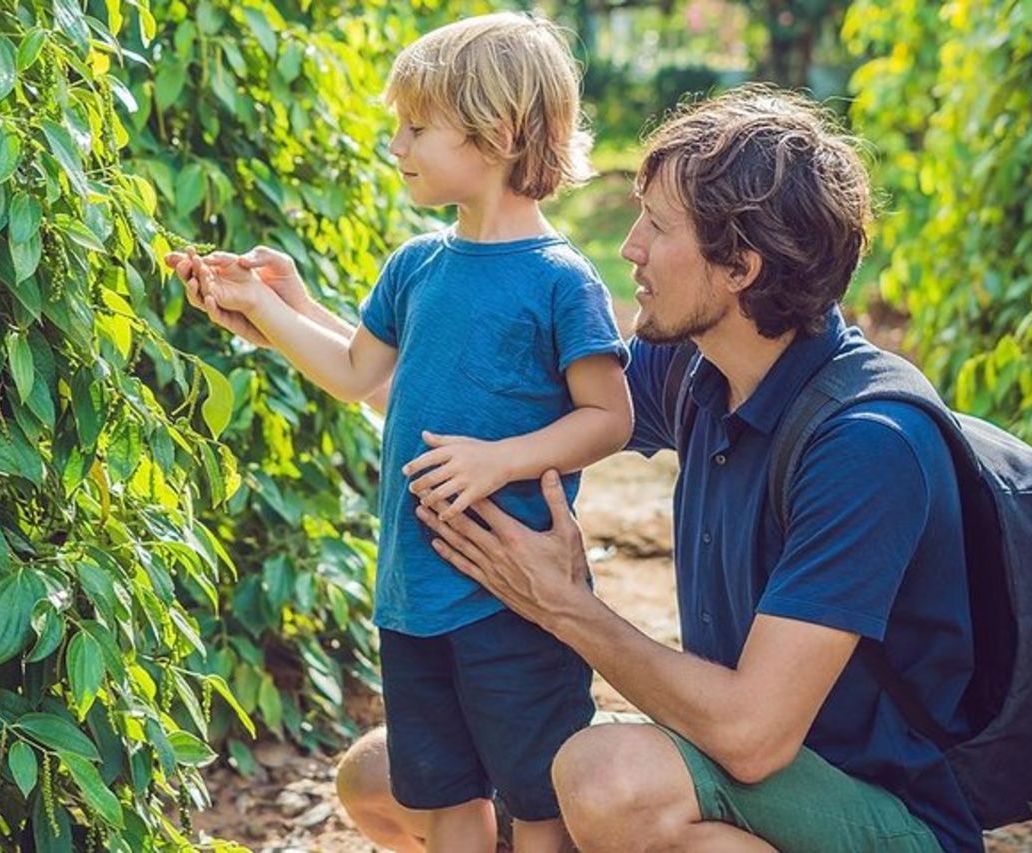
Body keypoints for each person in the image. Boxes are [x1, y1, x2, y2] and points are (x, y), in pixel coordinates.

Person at [323, 86, 986, 852]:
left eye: (657, 226)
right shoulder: (693, 370)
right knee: (381, 777)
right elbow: (468, 412)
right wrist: (282, 318)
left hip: (876, 811)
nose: (629, 246)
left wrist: (564, 605)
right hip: (748, 774)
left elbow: (750, 738)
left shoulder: (866, 444)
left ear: (740, 264)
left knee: (609, 780)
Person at [168, 13, 632, 853]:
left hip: (511, 600)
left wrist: (503, 459)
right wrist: (266, 306)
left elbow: (610, 417)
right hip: (413, 597)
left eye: (416, 127)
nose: (396, 146)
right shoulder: (415, 264)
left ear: (496, 132)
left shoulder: (562, 281)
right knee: (446, 793)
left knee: (536, 801)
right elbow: (355, 372)